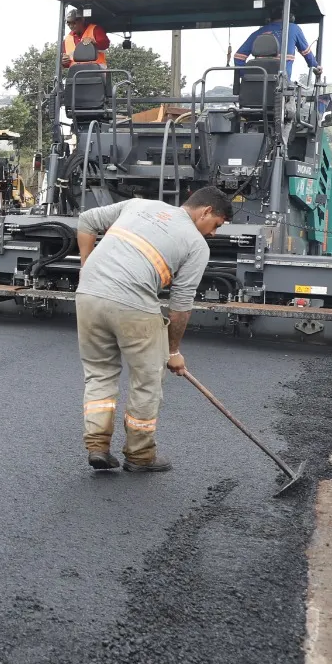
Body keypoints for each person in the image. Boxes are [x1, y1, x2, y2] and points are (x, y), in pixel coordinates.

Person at [74, 187, 232, 473]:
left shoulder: (139, 204)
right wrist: (172, 352)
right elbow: (180, 305)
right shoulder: (196, 246)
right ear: (206, 211)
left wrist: (86, 265)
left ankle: (97, 446)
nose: (213, 233)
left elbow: (86, 220)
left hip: (88, 296)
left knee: (99, 373)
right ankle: (139, 455)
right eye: (216, 225)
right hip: (133, 305)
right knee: (147, 379)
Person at [232, 5, 321, 81]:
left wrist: (248, 76)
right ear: (289, 16)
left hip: (255, 85)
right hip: (281, 86)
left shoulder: (259, 32)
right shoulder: (294, 29)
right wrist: (316, 66)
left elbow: (238, 57)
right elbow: (306, 52)